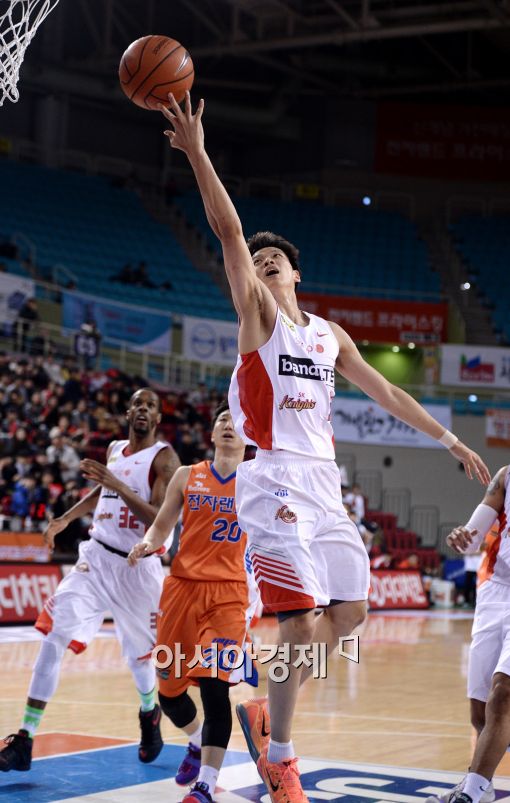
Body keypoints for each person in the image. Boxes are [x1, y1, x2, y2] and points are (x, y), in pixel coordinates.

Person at [159, 91, 491, 802]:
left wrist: (451, 438)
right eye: (261, 260)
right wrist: (197, 152)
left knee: (351, 615)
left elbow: (388, 393)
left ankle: (265, 710)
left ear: (299, 274)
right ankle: (282, 754)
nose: (266, 263)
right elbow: (227, 231)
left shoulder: (329, 334)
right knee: (302, 615)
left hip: (325, 485)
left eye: (277, 259)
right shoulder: (259, 319)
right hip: (271, 479)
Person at [0, 388, 181, 773]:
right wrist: (66, 518)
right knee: (53, 637)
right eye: (136, 404)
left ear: (158, 417)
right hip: (95, 558)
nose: (142, 410)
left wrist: (117, 484)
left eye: (150, 405)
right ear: (128, 411)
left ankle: (150, 714)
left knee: (140, 660)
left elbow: (158, 521)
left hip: (138, 568)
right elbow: (104, 491)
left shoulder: (165, 459)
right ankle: (25, 738)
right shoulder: (116, 448)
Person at [128, 401, 258, 803]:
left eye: (235, 421)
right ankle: (198, 740)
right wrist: (148, 544)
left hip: (229, 596)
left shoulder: (259, 481)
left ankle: (205, 785)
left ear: (249, 435)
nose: (227, 425)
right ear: (212, 431)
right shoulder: (187, 475)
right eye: (221, 419)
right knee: (168, 694)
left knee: (215, 690)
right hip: (182, 590)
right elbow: (163, 524)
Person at [426, 466, 510, 803]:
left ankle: (470, 795)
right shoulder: (505, 476)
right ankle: (483, 786)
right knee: (480, 711)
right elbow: (473, 537)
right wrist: (462, 536)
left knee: (503, 693)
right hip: (497, 590)